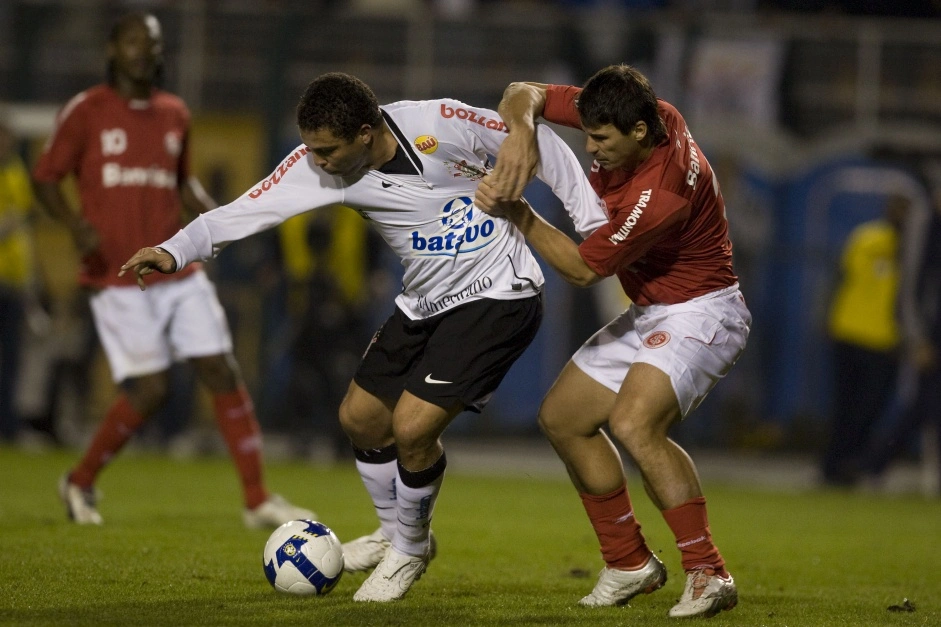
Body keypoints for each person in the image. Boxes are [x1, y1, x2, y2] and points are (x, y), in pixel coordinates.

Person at [119, 72, 606, 602]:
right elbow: (245, 209)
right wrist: (174, 249)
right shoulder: (318, 168)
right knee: (360, 419)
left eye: (328, 150)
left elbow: (543, 144)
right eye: (311, 148)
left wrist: (590, 217)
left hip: (499, 292)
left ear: (366, 134)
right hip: (424, 301)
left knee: (413, 427)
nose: (318, 160)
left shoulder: (439, 123)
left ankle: (410, 550)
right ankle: (393, 532)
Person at [474, 64, 750, 619]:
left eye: (600, 139)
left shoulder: (661, 193)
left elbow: (580, 270)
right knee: (563, 418)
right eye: (587, 134)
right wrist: (524, 132)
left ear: (639, 134)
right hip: (654, 308)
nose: (591, 147)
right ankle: (628, 563)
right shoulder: (644, 114)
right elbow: (520, 91)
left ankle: (708, 571)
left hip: (702, 312)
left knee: (633, 425)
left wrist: (519, 212)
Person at [30, 12, 315, 528]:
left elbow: (179, 182)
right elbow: (46, 177)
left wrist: (209, 210)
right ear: (113, 48)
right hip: (117, 275)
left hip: (176, 271)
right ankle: (80, 480)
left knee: (220, 369)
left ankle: (257, 499)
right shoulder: (87, 111)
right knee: (151, 391)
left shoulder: (174, 113)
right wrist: (73, 224)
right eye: (134, 41)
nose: (145, 50)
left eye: (153, 42)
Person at [862, 169, 941, 491]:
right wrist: (916, 336)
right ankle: (876, 462)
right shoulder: (925, 223)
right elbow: (911, 285)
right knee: (923, 403)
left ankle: (876, 463)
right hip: (929, 331)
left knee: (925, 403)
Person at [820, 195, 907, 486]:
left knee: (853, 407)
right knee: (858, 407)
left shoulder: (866, 236)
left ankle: (841, 465)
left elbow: (838, 276)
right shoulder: (902, 244)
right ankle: (841, 465)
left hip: (861, 333)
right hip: (871, 336)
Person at [0, 118, 42, 442]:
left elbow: (23, 232)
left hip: (14, 282)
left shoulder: (15, 173)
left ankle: (9, 427)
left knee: (12, 358)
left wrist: (30, 283)